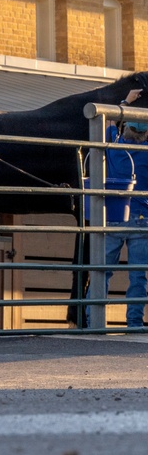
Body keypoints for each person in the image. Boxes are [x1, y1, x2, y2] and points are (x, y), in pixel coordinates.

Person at [90, 88, 148, 328]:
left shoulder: (114, 144)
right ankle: (134, 322)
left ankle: (93, 320)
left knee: (102, 270)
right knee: (138, 276)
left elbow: (111, 118)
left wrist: (127, 101)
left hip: (114, 215)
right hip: (143, 218)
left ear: (126, 129)